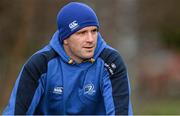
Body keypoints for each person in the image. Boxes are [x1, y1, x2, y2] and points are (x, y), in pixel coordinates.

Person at [3, 2, 133, 115]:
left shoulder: (111, 62)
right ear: (65, 38)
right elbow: (16, 112)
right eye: (82, 33)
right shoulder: (40, 64)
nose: (90, 39)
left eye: (94, 31)